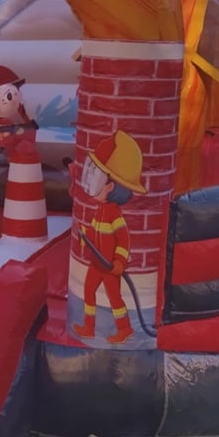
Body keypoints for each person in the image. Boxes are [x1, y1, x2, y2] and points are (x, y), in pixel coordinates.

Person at [72, 130, 146, 344]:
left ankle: (125, 329)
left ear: (111, 186)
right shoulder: (100, 212)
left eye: (96, 176)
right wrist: (84, 235)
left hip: (109, 267)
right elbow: (95, 233)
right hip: (97, 265)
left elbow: (124, 240)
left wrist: (119, 261)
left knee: (115, 298)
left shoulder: (114, 215)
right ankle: (89, 327)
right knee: (88, 292)